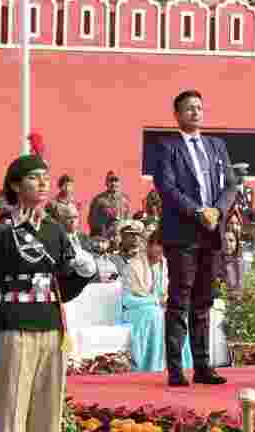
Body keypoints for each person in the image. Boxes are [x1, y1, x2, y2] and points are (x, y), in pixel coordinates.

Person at [0, 155, 96, 432]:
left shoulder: (55, 230)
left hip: (52, 329)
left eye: (46, 178)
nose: (42, 183)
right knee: (11, 413)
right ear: (15, 185)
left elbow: (61, 289)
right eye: (33, 177)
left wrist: (83, 275)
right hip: (15, 327)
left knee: (48, 415)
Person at [144, 89, 238, 387]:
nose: (195, 112)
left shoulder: (216, 145)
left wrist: (218, 211)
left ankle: (202, 366)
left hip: (212, 232)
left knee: (204, 301)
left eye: (199, 107)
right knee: (180, 299)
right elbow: (167, 187)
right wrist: (199, 211)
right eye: (189, 108)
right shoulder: (166, 146)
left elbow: (232, 185)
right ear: (177, 115)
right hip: (183, 232)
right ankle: (175, 368)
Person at [118, 221, 169, 373]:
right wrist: (155, 301)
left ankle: (181, 367)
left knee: (178, 314)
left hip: (157, 310)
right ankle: (148, 366)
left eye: (164, 246)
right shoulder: (134, 266)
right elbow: (126, 301)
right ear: (149, 245)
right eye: (158, 245)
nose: (161, 250)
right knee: (154, 313)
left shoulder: (165, 265)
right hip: (134, 311)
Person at [88, 173, 131, 238]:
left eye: (116, 180)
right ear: (106, 183)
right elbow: (92, 220)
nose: (113, 183)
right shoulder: (98, 200)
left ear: (119, 183)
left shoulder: (125, 200)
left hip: (121, 236)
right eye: (111, 181)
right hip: (104, 236)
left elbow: (128, 219)